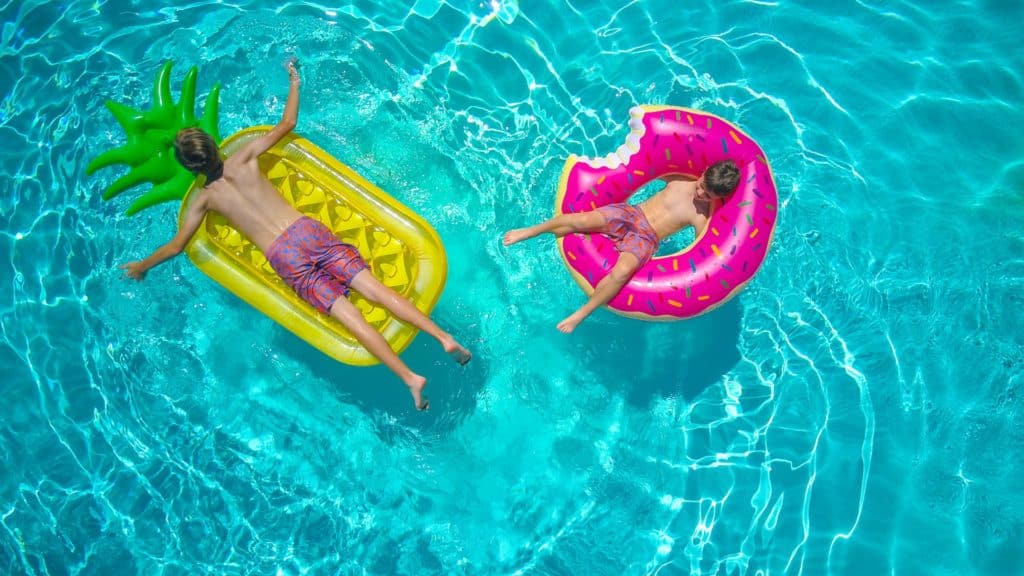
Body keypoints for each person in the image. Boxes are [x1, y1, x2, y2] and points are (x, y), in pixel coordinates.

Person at [121, 60, 471, 411]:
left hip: (283, 256)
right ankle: (443, 337)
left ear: (189, 168)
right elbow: (288, 123)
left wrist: (143, 265)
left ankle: (410, 378)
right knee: (376, 291)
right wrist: (294, 81)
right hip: (305, 231)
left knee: (351, 318)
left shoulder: (205, 198)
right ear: (214, 145)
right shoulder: (244, 156)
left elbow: (178, 245)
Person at [503, 160, 740, 333]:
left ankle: (582, 313)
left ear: (718, 199)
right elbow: (646, 167)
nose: (700, 194)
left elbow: (703, 253)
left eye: (707, 195)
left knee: (622, 272)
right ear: (704, 171)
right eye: (701, 186)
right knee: (581, 220)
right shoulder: (678, 178)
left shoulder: (702, 217)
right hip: (631, 213)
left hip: (646, 239)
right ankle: (530, 231)